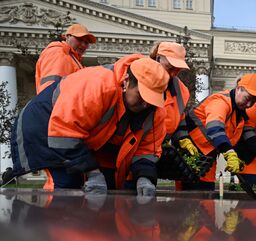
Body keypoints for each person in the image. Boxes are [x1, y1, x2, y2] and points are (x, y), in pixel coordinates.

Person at [10, 57, 169, 198]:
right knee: (66, 185)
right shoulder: (98, 86)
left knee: (107, 189)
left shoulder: (156, 111)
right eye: (141, 96)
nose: (146, 104)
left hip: (79, 137)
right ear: (126, 82)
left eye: (152, 99)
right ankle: (45, 227)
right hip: (43, 125)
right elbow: (64, 134)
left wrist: (145, 177)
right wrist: (93, 172)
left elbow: (147, 150)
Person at [118, 42, 192, 190]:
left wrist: (183, 139)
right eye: (170, 68)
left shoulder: (182, 91)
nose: (173, 73)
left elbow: (179, 119)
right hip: (127, 147)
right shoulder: (137, 75)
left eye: (178, 70)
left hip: (151, 154)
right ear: (157, 58)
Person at [182, 73, 256, 190]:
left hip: (207, 157)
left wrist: (236, 157)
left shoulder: (239, 116)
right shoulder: (221, 101)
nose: (249, 104)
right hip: (190, 151)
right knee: (191, 199)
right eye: (247, 99)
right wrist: (229, 153)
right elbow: (215, 128)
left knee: (207, 194)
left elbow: (229, 140)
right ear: (239, 89)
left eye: (253, 102)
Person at [35, 23, 97, 94]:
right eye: (79, 39)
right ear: (67, 36)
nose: (83, 45)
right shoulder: (58, 52)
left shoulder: (72, 58)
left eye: (86, 42)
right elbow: (50, 88)